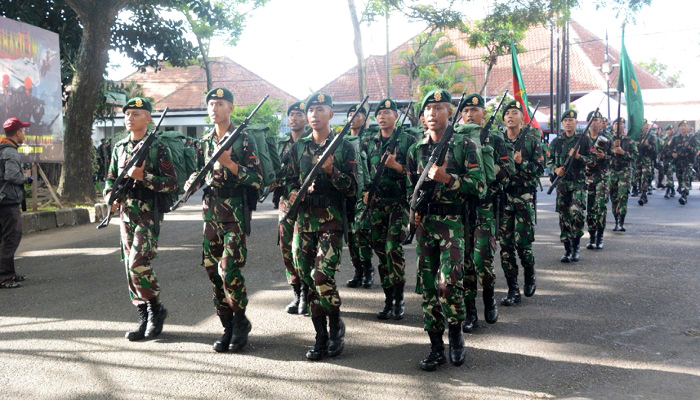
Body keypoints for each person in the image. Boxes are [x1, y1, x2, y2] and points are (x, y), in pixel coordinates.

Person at [406, 89, 486, 371]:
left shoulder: (464, 144)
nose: (432, 113)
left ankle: (456, 332)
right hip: (426, 225)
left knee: (448, 283)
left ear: (450, 113)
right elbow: (411, 186)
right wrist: (413, 210)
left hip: (453, 224)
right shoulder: (417, 148)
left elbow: (479, 185)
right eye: (428, 108)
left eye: (439, 108)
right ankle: (435, 347)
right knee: (428, 288)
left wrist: (447, 178)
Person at [184, 88, 263, 352]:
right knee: (212, 270)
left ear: (231, 107)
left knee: (228, 269)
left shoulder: (243, 140)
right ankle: (227, 325)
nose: (214, 108)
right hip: (210, 214)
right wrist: (192, 183)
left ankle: (241, 322)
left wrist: (231, 165)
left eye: (220, 103)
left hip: (235, 215)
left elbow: (257, 179)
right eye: (211, 104)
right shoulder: (205, 141)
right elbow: (200, 172)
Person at [287, 93, 357, 361]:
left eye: (320, 109)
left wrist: (332, 172)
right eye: (311, 110)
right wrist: (294, 194)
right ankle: (320, 336)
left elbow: (352, 188)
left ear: (331, 114)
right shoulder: (299, 147)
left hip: (330, 221)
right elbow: (289, 181)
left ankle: (335, 324)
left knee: (321, 276)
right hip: (303, 222)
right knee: (307, 278)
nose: (314, 114)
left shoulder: (344, 147)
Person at [104, 98, 178, 340]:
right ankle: (144, 315)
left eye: (136, 113)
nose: (129, 117)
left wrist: (143, 176)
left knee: (138, 263)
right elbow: (110, 180)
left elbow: (171, 183)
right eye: (127, 114)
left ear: (148, 118)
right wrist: (110, 198)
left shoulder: (158, 147)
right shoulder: (120, 147)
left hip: (148, 212)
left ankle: (156, 309)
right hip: (127, 213)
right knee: (129, 266)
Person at [458, 94, 513, 332]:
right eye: (466, 110)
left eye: (475, 109)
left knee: (482, 260)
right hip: (460, 209)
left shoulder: (496, 138)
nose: (470, 114)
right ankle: (470, 312)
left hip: (485, 207)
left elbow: (508, 174)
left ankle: (489, 298)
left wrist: (488, 163)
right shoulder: (455, 139)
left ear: (484, 114)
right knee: (465, 263)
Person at [362, 99, 415, 320]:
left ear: (396, 116)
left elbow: (418, 174)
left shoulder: (408, 141)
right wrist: (365, 191)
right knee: (381, 252)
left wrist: (398, 167)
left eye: (387, 113)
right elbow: (363, 172)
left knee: (393, 248)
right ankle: (388, 298)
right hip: (377, 204)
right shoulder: (369, 142)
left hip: (399, 203)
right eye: (379, 113)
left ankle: (399, 298)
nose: (382, 117)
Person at [498, 101, 544, 306]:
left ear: (522, 118)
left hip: (524, 196)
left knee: (523, 243)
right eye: (507, 113)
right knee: (505, 245)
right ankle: (512, 289)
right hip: (504, 197)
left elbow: (540, 169)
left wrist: (521, 163)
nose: (510, 116)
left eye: (514, 113)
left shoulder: (532, 140)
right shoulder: (498, 141)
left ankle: (530, 273)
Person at [276, 101, 309, 314]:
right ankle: (296, 291)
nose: (294, 118)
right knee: (286, 248)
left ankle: (307, 291)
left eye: (298, 114)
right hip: (286, 204)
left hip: (306, 206)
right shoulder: (281, 145)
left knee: (302, 250)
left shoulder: (311, 143)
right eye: (291, 114)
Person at [548, 109, 593, 262]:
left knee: (577, 214)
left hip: (578, 183)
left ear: (576, 123)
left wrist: (579, 156)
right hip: (562, 184)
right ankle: (567, 249)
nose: (568, 123)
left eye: (571, 120)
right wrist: (555, 169)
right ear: (562, 123)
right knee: (564, 216)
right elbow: (548, 160)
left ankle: (576, 247)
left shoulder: (584, 140)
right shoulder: (556, 142)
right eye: (565, 120)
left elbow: (592, 160)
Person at [345, 103, 374, 289]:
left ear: (365, 119)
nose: (353, 117)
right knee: (350, 236)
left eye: (357, 114)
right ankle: (358, 270)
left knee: (361, 234)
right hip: (347, 193)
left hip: (363, 195)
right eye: (350, 114)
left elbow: (373, 166)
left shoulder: (370, 140)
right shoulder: (344, 140)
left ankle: (368, 269)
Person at [0, 117, 32, 289]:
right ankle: (4, 277)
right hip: (8, 202)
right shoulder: (10, 151)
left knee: (4, 239)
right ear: (18, 133)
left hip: (2, 200)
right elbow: (11, 176)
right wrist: (26, 177)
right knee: (11, 238)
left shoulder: (2, 147)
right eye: (23, 131)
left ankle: (9, 273)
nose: (25, 134)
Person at [584, 111, 611, 250]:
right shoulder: (582, 138)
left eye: (598, 120)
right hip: (587, 177)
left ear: (602, 123)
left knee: (600, 206)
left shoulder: (607, 138)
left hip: (602, 176)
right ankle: (592, 236)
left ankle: (600, 236)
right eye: (593, 119)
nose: (596, 122)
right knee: (590, 207)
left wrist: (604, 156)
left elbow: (616, 159)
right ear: (588, 122)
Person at [609, 117, 638, 231]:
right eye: (616, 123)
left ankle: (621, 222)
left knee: (623, 196)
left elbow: (635, 156)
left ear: (624, 127)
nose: (617, 126)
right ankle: (616, 219)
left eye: (620, 124)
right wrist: (612, 151)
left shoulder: (629, 141)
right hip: (611, 171)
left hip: (624, 172)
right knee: (613, 197)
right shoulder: (607, 140)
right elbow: (601, 154)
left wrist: (623, 152)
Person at [669, 120, 696, 205]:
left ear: (688, 128)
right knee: (680, 178)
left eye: (685, 125)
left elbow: (696, 150)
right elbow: (669, 148)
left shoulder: (692, 138)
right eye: (682, 126)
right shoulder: (675, 139)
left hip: (688, 161)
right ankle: (682, 191)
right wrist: (673, 153)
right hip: (678, 162)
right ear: (679, 128)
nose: (683, 127)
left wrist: (689, 147)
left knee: (685, 177)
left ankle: (684, 195)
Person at [636, 120, 658, 205]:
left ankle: (643, 194)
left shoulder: (651, 136)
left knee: (644, 177)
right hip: (638, 159)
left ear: (647, 126)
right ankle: (641, 191)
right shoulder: (636, 136)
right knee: (638, 177)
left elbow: (655, 149)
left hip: (646, 159)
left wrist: (647, 145)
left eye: (644, 124)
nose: (642, 126)